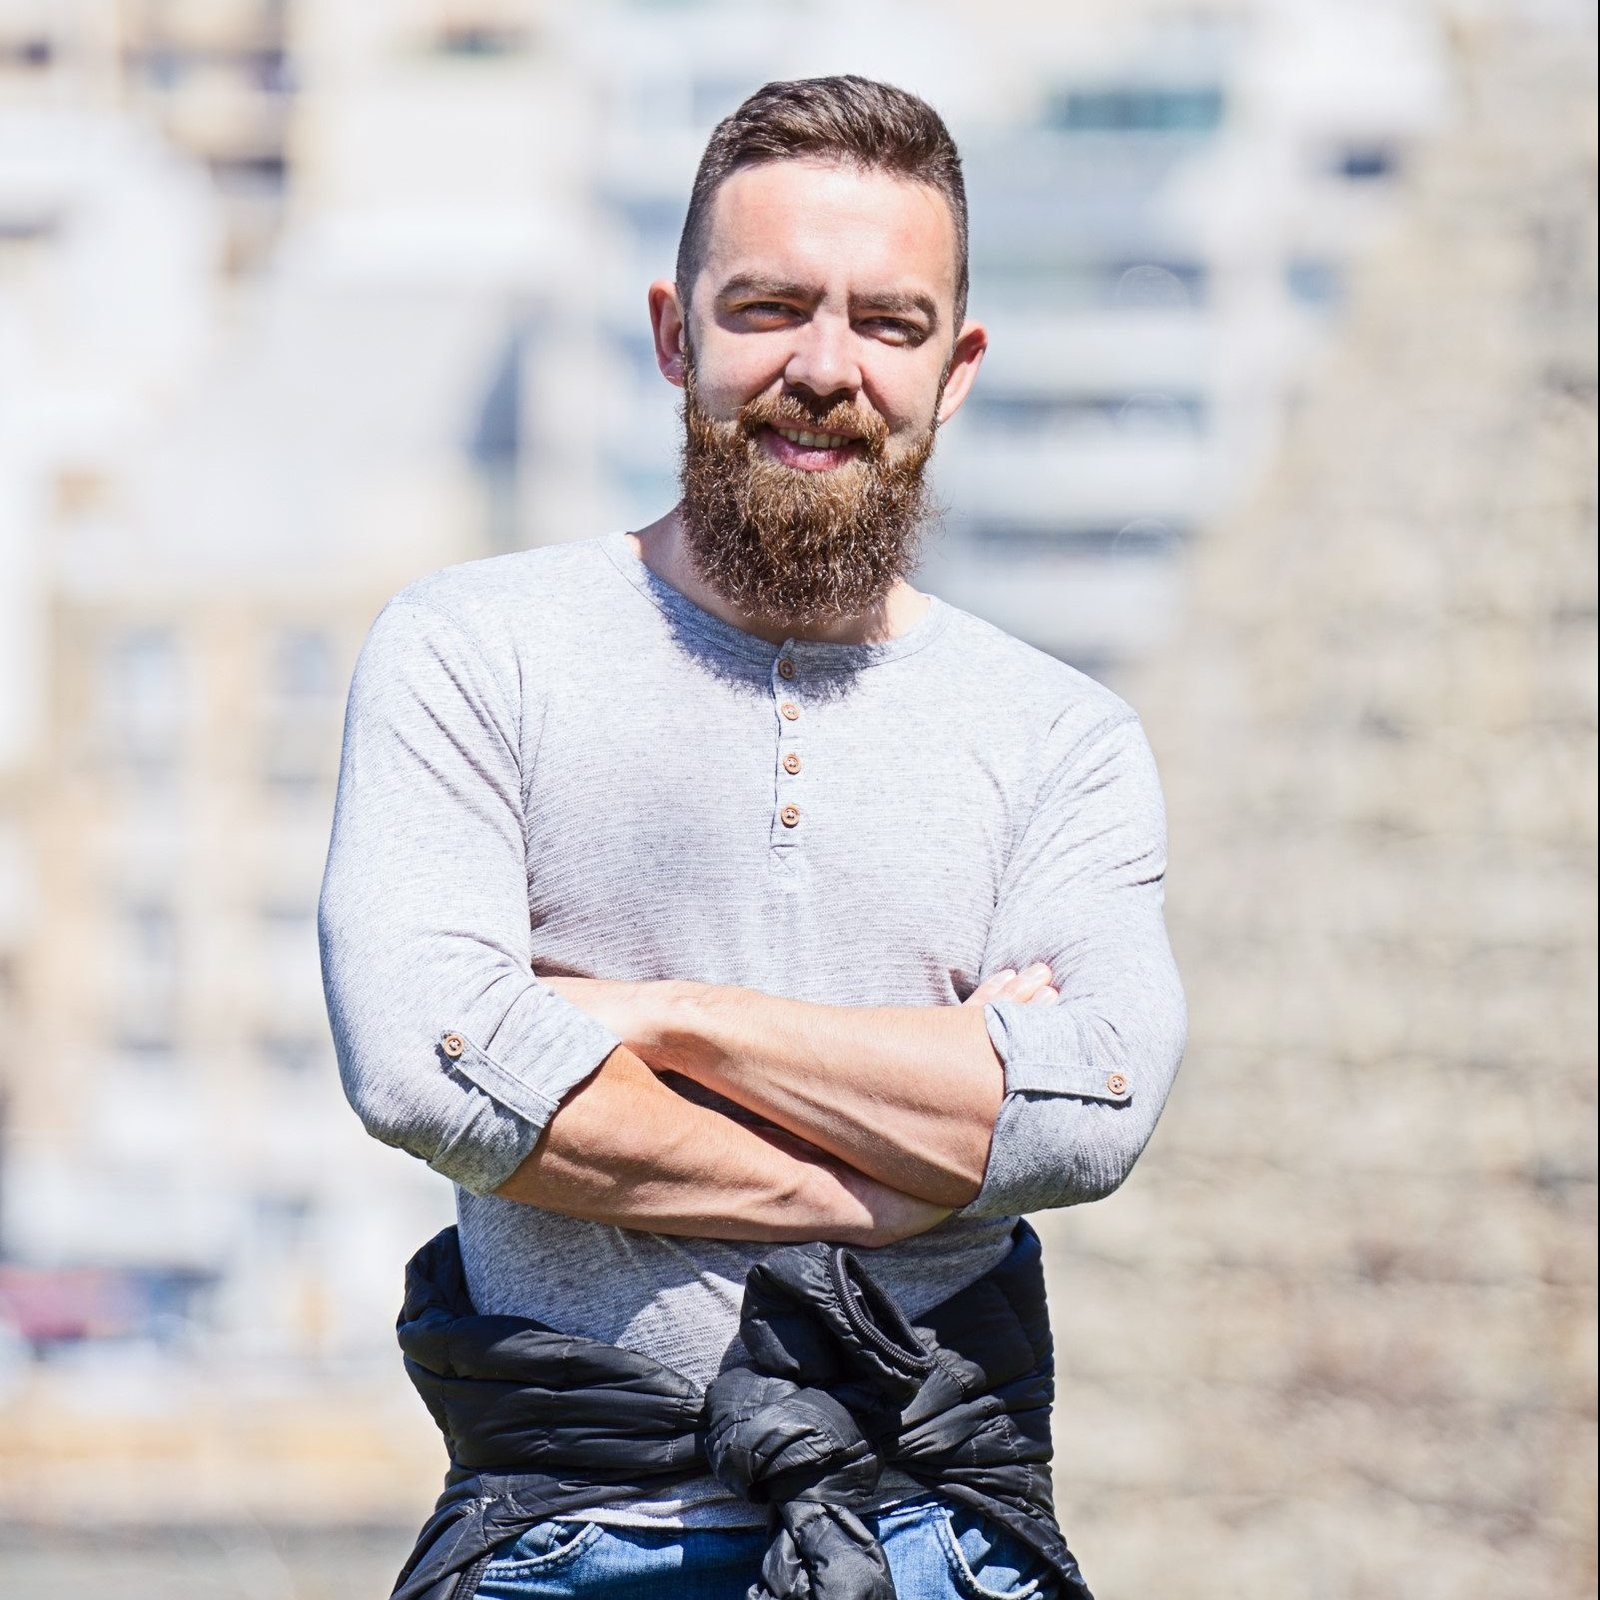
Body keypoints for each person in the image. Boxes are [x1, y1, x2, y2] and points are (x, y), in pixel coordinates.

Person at [319, 74, 1186, 1600]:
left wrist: (660, 1018)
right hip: (567, 1540)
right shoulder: (473, 651)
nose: (825, 368)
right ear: (675, 335)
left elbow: (1087, 1110)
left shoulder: (1064, 737)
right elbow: (424, 1067)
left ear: (957, 368)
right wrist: (901, 1175)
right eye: (770, 307)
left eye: (889, 323)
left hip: (943, 1543)